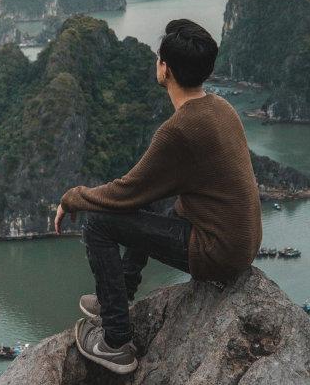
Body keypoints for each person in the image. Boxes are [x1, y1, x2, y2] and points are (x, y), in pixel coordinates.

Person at [54, 19, 262, 374]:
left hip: (217, 251)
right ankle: (116, 296)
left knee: (98, 223)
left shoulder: (178, 131)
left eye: (158, 58)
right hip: (239, 239)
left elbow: (127, 191)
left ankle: (116, 341)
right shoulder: (221, 107)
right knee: (148, 199)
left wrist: (73, 197)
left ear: (165, 68)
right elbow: (145, 191)